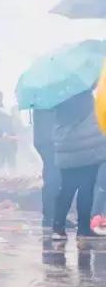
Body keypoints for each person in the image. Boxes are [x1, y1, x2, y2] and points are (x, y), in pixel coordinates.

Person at [51, 90, 106, 240]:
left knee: (66, 191)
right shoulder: (88, 101)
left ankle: (57, 227)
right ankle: (83, 229)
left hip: (66, 154)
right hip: (88, 154)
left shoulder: (60, 103)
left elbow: (57, 129)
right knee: (86, 192)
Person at [32, 108, 59, 228]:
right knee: (54, 179)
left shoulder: (40, 104)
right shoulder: (50, 105)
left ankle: (49, 215)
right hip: (51, 142)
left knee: (50, 176)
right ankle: (52, 217)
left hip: (43, 142)